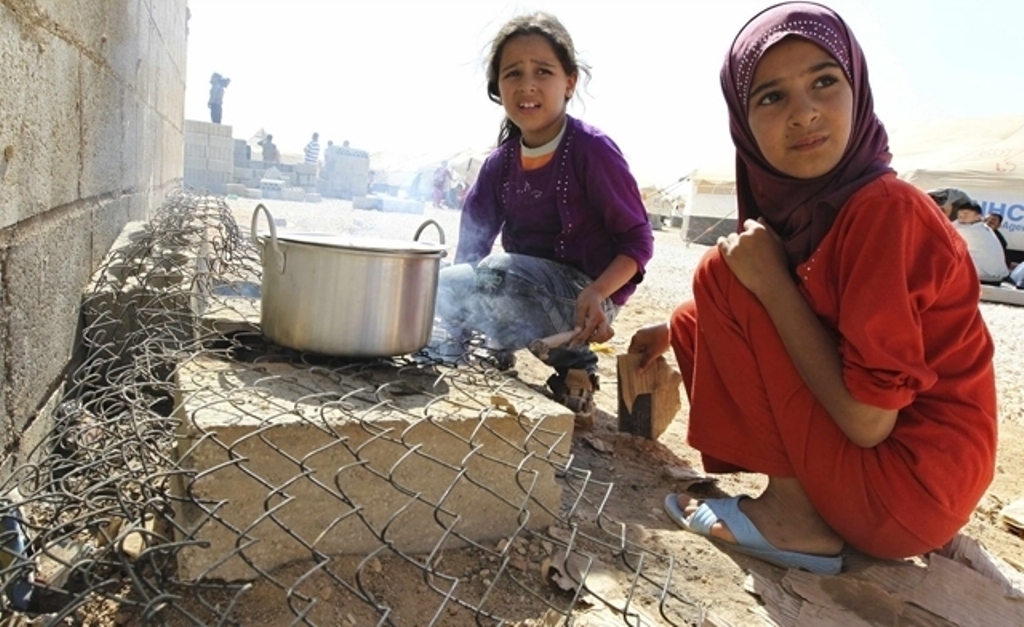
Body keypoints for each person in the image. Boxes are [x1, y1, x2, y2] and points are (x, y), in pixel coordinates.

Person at [628, 2, 996, 575]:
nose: (804, 114)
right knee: (695, 312)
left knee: (725, 274)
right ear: (741, 124)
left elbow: (869, 421)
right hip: (910, 489)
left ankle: (796, 519)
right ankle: (808, 504)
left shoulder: (885, 212)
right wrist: (685, 328)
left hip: (905, 491)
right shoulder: (818, 210)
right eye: (771, 97)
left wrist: (772, 285)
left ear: (858, 89)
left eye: (824, 82)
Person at [434, 12, 654, 426]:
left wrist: (597, 291)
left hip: (588, 299)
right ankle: (493, 345)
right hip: (527, 287)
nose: (527, 85)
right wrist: (455, 320)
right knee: (444, 282)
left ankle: (577, 362)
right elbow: (470, 252)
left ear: (569, 82)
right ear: (497, 89)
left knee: (496, 272)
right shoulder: (499, 165)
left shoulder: (592, 150)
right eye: (512, 73)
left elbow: (638, 242)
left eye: (543, 71)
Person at [955, 199, 1009, 285]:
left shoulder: (971, 231)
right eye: (959, 214)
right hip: (994, 278)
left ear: (978, 217)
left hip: (984, 279)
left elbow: (945, 229)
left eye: (966, 214)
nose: (962, 216)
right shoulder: (982, 227)